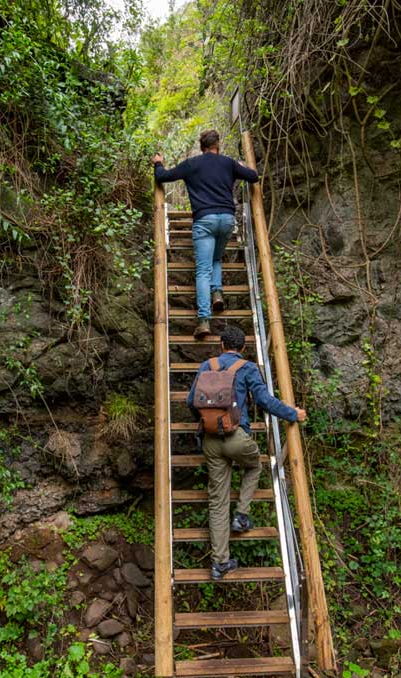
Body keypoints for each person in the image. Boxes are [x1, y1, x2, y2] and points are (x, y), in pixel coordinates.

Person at [186, 324, 307, 580]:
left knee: (217, 502)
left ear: (221, 346)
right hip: (236, 438)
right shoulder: (248, 368)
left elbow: (190, 401)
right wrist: (292, 413)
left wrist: (210, 421)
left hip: (209, 440)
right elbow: (264, 401)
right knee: (254, 465)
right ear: (242, 348)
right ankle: (242, 515)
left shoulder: (206, 366)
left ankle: (220, 563)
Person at [153, 129, 260, 340]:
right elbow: (253, 176)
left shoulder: (192, 164)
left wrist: (158, 162)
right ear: (217, 146)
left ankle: (203, 321)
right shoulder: (228, 163)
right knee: (216, 258)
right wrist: (240, 166)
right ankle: (217, 292)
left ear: (202, 147)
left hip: (204, 220)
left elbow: (163, 177)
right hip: (227, 220)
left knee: (203, 270)